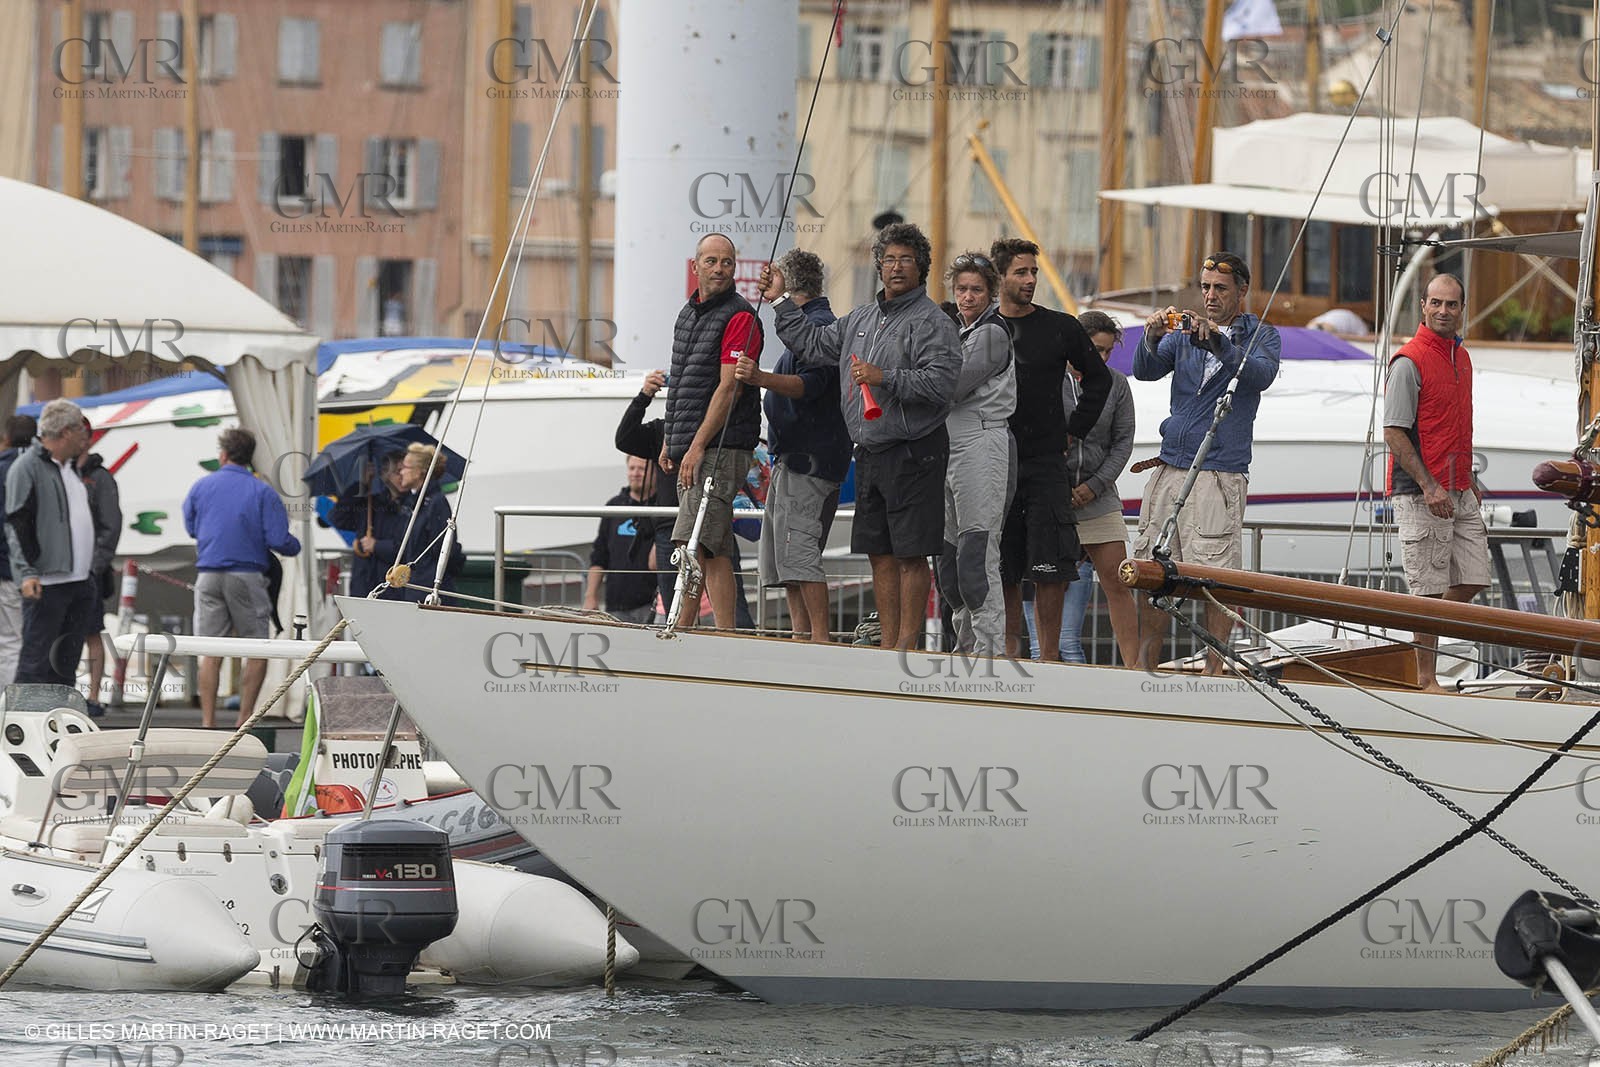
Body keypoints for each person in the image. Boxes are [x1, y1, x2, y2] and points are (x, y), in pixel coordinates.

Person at [761, 223, 962, 650]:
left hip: (915, 451)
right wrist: (779, 300)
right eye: (888, 259)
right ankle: (888, 647)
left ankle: (905, 646)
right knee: (880, 554)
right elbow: (813, 346)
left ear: (921, 267)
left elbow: (942, 385)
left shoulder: (932, 322)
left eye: (905, 259)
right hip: (869, 451)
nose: (896, 267)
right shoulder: (861, 319)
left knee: (910, 554)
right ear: (879, 267)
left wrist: (883, 377)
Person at [1133, 251, 1281, 672]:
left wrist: (1217, 340)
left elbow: (1260, 375)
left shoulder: (1261, 335)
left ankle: (1215, 671)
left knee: (1215, 578)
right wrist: (1152, 334)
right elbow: (1145, 371)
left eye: (1219, 288)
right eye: (1205, 287)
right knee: (1152, 570)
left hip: (1218, 470)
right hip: (1171, 464)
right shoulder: (1184, 333)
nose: (1210, 295)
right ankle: (1144, 670)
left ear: (1241, 291)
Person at [992, 237, 1111, 661]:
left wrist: (1073, 429)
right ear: (1000, 276)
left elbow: (1099, 380)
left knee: (1050, 566)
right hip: (996, 460)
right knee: (1003, 566)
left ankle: (1048, 659)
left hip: (1046, 462)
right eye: (1020, 272)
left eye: (1033, 272)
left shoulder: (1061, 326)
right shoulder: (988, 326)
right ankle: (1006, 655)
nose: (1030, 280)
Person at [734, 249, 848, 643]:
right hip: (795, 461)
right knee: (787, 558)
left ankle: (818, 637)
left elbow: (811, 385)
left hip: (809, 463)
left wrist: (761, 378)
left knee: (799, 552)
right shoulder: (812, 323)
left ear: (787, 282)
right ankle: (803, 635)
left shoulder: (817, 326)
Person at [1383, 272, 1487, 691]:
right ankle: (1424, 678)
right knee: (1426, 591)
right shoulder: (1409, 360)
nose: (1444, 311)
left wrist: (1469, 479)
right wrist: (1428, 485)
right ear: (1423, 306)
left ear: (1462, 309)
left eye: (1452, 304)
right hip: (1420, 492)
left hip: (1459, 487)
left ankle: (1417, 633)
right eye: (1436, 303)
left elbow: (1456, 426)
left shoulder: (1461, 358)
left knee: (1474, 577)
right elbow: (1393, 432)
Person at [661, 233, 765, 630]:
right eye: (711, 261)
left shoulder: (741, 316)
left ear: (735, 268)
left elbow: (729, 387)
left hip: (721, 447)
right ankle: (727, 634)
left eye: (726, 262)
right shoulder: (687, 315)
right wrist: (673, 440)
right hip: (696, 446)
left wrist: (696, 445)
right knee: (715, 547)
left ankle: (681, 630)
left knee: (692, 543)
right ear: (695, 266)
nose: (719, 269)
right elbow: (683, 383)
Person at [616, 370, 756, 627]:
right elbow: (624, 438)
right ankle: (684, 639)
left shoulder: (714, 428)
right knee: (674, 603)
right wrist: (644, 395)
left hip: (712, 516)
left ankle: (729, 641)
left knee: (734, 610)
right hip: (670, 526)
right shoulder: (662, 429)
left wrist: (699, 443)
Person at [183, 428, 302, 727]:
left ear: (223, 455)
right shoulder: (262, 491)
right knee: (256, 647)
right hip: (247, 576)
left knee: (210, 651)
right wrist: (294, 544)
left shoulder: (200, 486)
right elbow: (278, 539)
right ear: (250, 458)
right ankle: (243, 720)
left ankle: (208, 722)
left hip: (208, 574)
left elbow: (192, 528)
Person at [933, 251, 1016, 656]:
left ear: (991, 292)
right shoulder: (959, 332)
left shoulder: (993, 333)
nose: (967, 297)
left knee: (976, 552)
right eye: (962, 289)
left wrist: (905, 379)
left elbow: (955, 385)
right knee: (950, 562)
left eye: (976, 290)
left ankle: (989, 647)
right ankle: (964, 643)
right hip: (951, 442)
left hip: (982, 440)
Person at [1060, 311, 1140, 666]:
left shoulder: (1117, 385)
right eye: (1096, 349)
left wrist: (1094, 486)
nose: (1102, 358)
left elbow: (1123, 442)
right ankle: (1043, 660)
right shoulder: (1051, 378)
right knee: (1041, 584)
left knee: (1118, 582)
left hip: (1099, 496)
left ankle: (1135, 668)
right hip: (1052, 493)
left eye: (1108, 352)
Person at [5, 400, 97, 689]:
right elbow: (16, 521)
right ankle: (21, 728)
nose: (86, 437)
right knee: (36, 663)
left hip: (79, 580)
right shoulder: (27, 467)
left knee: (65, 665)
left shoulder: (68, 468)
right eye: (82, 431)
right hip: (47, 581)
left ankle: (58, 724)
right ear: (67, 432)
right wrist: (27, 572)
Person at [329, 443, 460, 601]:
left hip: (399, 588)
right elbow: (339, 519)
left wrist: (376, 545)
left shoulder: (421, 504)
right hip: (366, 582)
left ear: (419, 472)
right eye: (397, 470)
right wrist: (361, 485)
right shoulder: (372, 503)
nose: (401, 473)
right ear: (384, 474)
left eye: (404, 468)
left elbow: (429, 550)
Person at [75, 418, 122, 716]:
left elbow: (111, 524)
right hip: (63, 572)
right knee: (63, 634)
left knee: (92, 633)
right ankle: (65, 690)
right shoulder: (60, 472)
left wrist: (96, 565)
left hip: (90, 570)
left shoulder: (100, 478)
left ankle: (93, 696)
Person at [583, 456, 659, 623]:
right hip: (616, 606)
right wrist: (590, 596)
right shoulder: (614, 506)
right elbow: (599, 555)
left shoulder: (662, 507)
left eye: (642, 469)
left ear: (655, 473)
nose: (635, 473)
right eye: (631, 468)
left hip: (652, 605)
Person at [0, 414, 37, 688]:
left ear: (6, 438)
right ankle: (12, 710)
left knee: (9, 641)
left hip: (6, 566)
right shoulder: (37, 469)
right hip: (25, 569)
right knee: (18, 641)